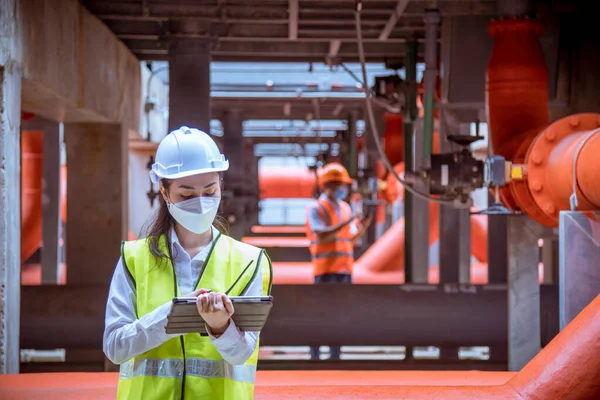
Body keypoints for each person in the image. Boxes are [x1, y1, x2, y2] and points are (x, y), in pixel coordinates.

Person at [103, 126, 272, 400]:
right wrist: (170, 316)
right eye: (186, 195)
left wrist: (221, 327)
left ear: (220, 185)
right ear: (164, 191)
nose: (201, 203)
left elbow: (242, 355)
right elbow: (114, 347)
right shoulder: (134, 259)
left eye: (210, 190)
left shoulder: (248, 262)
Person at [304, 162, 373, 360]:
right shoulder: (316, 208)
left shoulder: (344, 208)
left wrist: (364, 224)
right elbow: (322, 235)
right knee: (321, 315)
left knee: (339, 315)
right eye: (340, 184)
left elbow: (348, 238)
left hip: (344, 271)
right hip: (325, 271)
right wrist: (348, 222)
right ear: (329, 185)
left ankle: (335, 356)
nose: (344, 189)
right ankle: (315, 356)